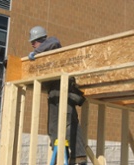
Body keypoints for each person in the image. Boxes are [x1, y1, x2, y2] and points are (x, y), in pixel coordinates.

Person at [28, 26, 87, 165]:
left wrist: (36, 53)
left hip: (64, 90)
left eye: (34, 42)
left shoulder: (52, 45)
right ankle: (61, 156)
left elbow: (54, 41)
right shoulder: (45, 59)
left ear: (40, 40)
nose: (32, 45)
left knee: (68, 123)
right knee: (53, 128)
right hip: (54, 94)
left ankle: (79, 156)